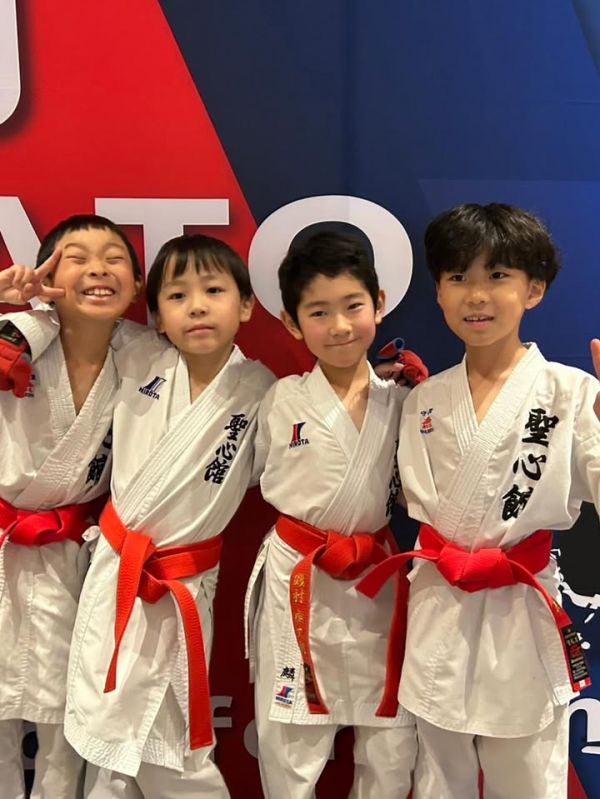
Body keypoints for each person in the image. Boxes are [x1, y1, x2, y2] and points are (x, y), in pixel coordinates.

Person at [358, 203, 600, 799]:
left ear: (534, 289)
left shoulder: (571, 392)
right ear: (439, 293)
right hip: (439, 604)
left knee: (528, 777)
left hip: (521, 608)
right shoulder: (423, 399)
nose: (477, 295)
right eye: (458, 276)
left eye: (498, 275)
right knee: (439, 778)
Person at [62, 235, 275, 798]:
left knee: (169, 740)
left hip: (183, 584)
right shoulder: (135, 357)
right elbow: (72, 326)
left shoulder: (264, 392)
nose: (197, 307)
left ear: (246, 305)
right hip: (117, 573)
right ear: (155, 316)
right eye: (178, 296)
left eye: (214, 291)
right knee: (111, 734)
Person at [245, 231, 418, 799]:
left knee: (390, 744)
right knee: (291, 742)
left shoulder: (404, 400)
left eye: (352, 306)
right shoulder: (280, 400)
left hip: (375, 578)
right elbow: (253, 474)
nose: (340, 326)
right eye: (318, 312)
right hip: (301, 574)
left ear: (379, 303)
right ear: (292, 323)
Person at [0, 214, 143, 799]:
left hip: (77, 558)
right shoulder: (14, 335)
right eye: (77, 258)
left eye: (114, 258)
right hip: (4, 546)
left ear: (138, 283)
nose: (97, 269)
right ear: (47, 276)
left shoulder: (147, 356)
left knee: (68, 714)